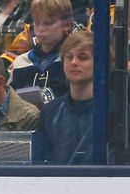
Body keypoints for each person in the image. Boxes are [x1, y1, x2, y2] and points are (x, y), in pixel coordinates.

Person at [32, 31, 93, 164]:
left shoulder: (116, 110)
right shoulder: (50, 112)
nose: (74, 62)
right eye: (69, 57)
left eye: (82, 57)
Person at [8, 0, 73, 104]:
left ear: (67, 25)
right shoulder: (21, 62)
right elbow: (9, 102)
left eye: (48, 23)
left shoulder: (74, 60)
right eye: (37, 22)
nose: (41, 29)